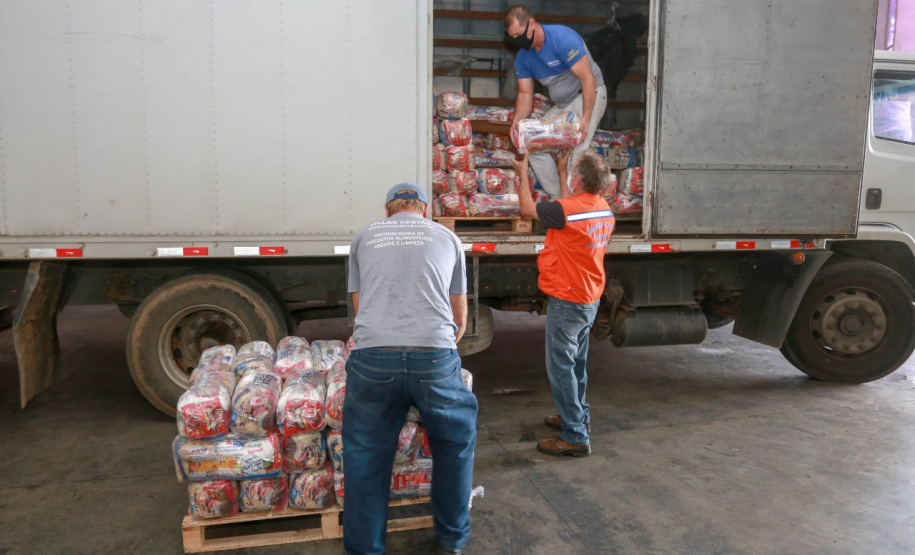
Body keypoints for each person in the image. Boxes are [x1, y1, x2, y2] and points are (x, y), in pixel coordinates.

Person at [343, 183, 478, 555]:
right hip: (433, 356)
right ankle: (451, 538)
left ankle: (365, 549)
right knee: (454, 443)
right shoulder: (448, 238)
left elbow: (360, 308)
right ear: (424, 209)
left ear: (387, 211)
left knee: (366, 453)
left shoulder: (363, 238)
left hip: (373, 358)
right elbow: (459, 316)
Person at [511, 150, 614, 457]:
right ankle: (578, 416)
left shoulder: (566, 211)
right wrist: (559, 167)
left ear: (578, 179)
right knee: (576, 364)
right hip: (588, 295)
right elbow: (569, 207)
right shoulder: (601, 208)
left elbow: (528, 209)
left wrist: (521, 172)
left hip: (568, 298)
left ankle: (574, 435)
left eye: (571, 175)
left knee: (560, 367)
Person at [505, 5, 608, 199]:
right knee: (531, 144)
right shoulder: (523, 58)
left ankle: (579, 204)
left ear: (532, 24)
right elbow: (525, 95)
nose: (517, 40)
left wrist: (585, 118)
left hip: (587, 94)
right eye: (513, 37)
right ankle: (561, 199)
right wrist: (516, 124)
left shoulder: (562, 39)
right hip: (562, 105)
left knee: (577, 149)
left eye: (519, 34)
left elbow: (587, 79)